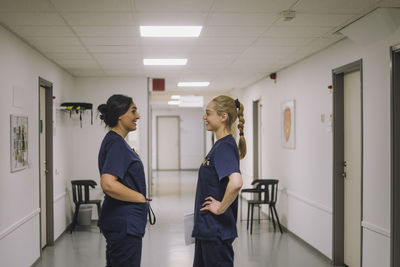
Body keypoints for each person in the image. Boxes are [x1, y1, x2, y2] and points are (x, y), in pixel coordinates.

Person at [192, 95, 246, 267]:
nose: (204, 117)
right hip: (208, 231)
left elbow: (236, 182)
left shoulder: (224, 146)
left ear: (223, 117)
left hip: (216, 231)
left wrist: (221, 207)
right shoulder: (220, 145)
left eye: (208, 113)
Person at [97, 94, 149, 267]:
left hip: (121, 222)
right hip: (124, 224)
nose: (138, 116)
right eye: (133, 111)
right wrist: (139, 197)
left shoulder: (115, 141)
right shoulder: (117, 144)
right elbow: (108, 183)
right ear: (120, 114)